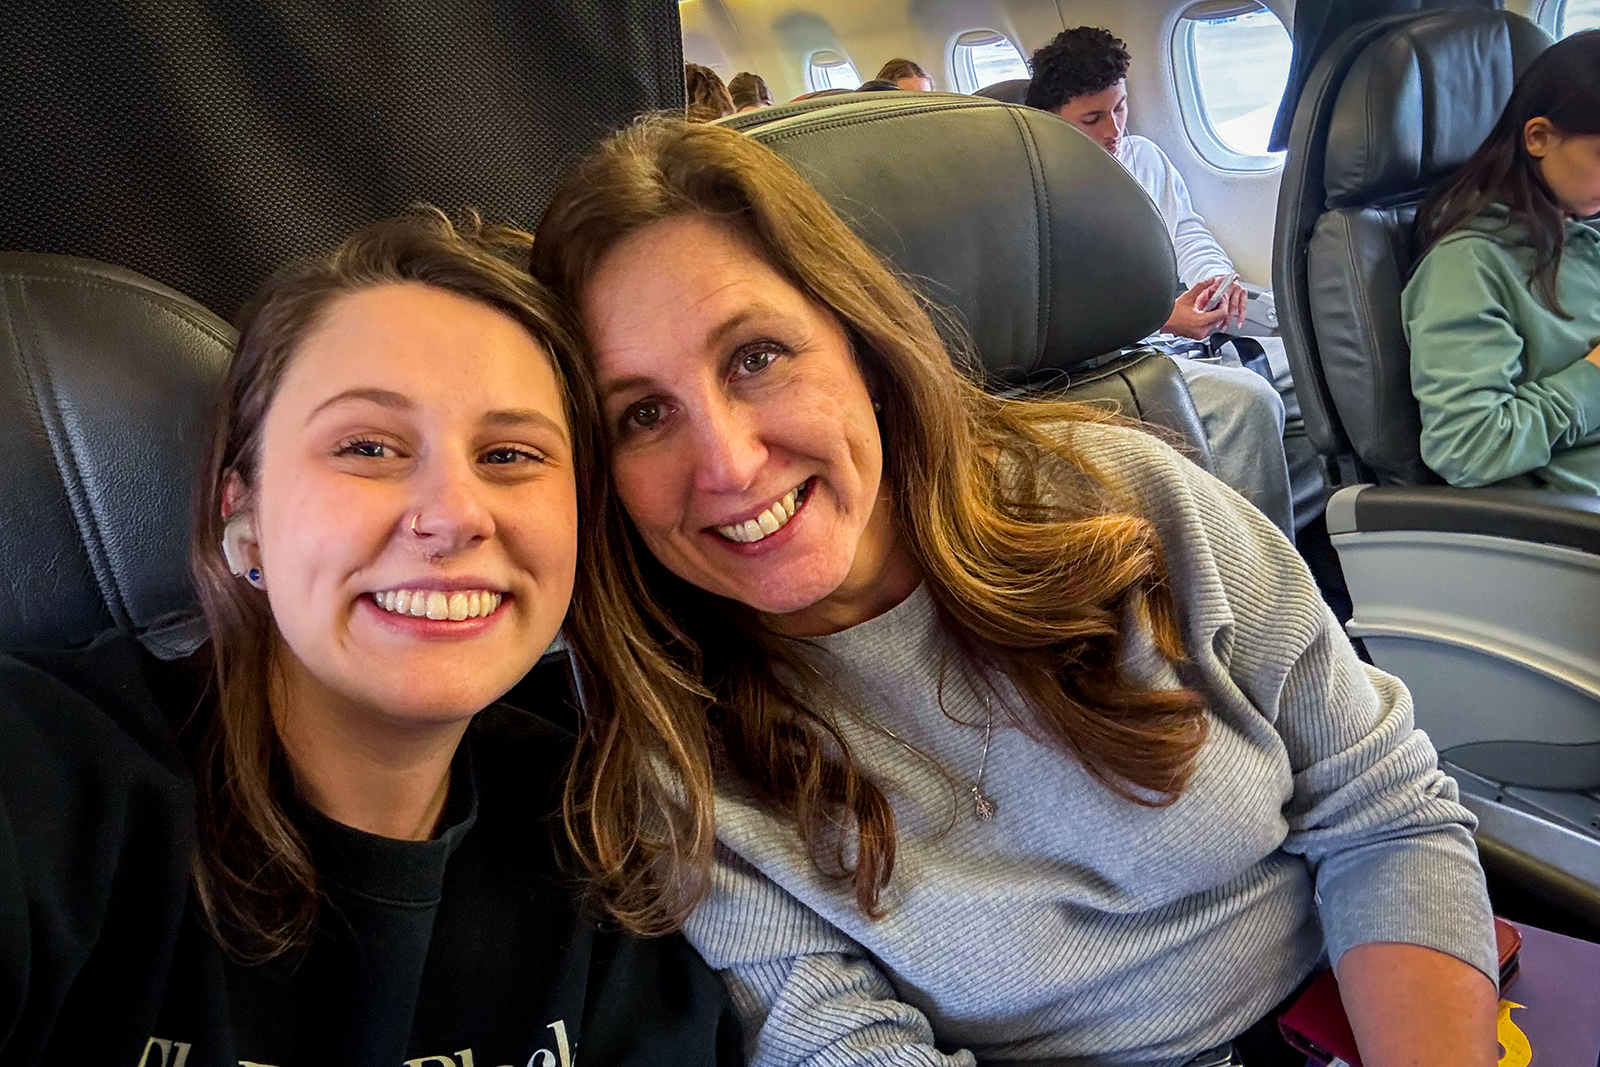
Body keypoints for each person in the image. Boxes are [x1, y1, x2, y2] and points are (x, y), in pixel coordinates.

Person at [532, 117, 1500, 1067]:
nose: (729, 464)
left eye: (756, 357)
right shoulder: (666, 734)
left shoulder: (1128, 496)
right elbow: (836, 1038)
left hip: (1364, 1004)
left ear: (862, 347)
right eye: (642, 413)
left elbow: (1381, 811)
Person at [0, 211, 742, 1067]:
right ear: (241, 517)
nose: (455, 514)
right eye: (368, 447)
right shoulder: (46, 780)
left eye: (509, 454)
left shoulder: (606, 840)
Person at [1027, 26, 1326, 538]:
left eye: (1120, 107)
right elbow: (1060, 312)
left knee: (1314, 374)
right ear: (1051, 122)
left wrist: (1215, 279)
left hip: (1177, 331)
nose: (1114, 129)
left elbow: (1186, 232)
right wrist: (1163, 318)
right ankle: (1253, 566)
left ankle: (1258, 535)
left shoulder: (1142, 157)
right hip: (1114, 355)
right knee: (1250, 402)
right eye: (1092, 119)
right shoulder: (1037, 193)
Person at [1403, 31, 1600, 494]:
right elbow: (1468, 447)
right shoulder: (1467, 266)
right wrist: (1594, 378)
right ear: (1539, 137)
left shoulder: (1577, 231)